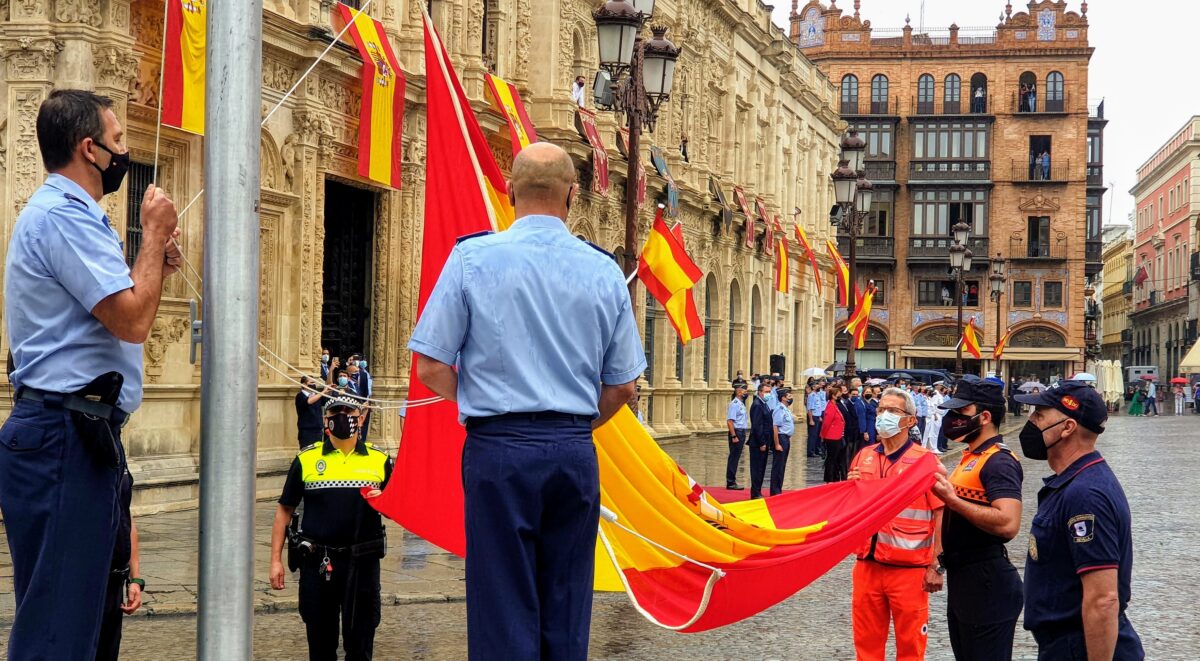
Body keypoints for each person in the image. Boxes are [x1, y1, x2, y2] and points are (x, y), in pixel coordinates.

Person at [406, 142, 644, 659]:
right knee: (566, 600)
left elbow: (428, 366)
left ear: (510, 190)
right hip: (572, 450)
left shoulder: (471, 258)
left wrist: (481, 400)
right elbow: (624, 386)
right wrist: (574, 425)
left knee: (501, 601)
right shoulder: (604, 270)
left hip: (498, 450)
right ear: (573, 196)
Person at [0, 89, 180, 658]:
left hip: (84, 433)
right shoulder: (61, 216)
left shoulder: (79, 218)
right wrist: (150, 238)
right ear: (89, 147)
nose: (123, 150)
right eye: (119, 139)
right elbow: (130, 320)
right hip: (63, 435)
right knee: (57, 633)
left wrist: (155, 265)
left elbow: (115, 312)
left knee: (89, 622)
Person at [1014, 381, 1145, 660]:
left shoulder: (1085, 493)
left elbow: (1103, 599)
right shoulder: (1074, 481)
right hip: (1063, 643)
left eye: (1040, 415)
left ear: (1067, 427)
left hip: (1079, 645)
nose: (1031, 421)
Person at [270, 396, 391, 661]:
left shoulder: (380, 460)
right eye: (336, 412)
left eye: (349, 412)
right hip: (318, 563)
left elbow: (397, 509)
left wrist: (383, 499)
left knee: (360, 645)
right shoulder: (307, 459)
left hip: (362, 563)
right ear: (326, 420)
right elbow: (285, 509)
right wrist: (275, 561)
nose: (343, 416)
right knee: (321, 646)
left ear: (361, 418)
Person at [930, 378, 1024, 661]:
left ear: (984, 417)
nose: (954, 419)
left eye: (961, 412)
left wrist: (953, 500)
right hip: (965, 580)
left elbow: (1008, 524)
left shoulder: (999, 461)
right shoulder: (972, 455)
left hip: (987, 581)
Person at [848, 387, 944, 661]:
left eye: (892, 411)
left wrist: (936, 566)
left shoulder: (925, 462)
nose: (883, 416)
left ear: (910, 420)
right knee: (866, 647)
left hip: (909, 570)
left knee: (911, 648)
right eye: (880, 410)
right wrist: (850, 488)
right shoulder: (864, 456)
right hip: (867, 565)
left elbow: (940, 514)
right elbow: (853, 508)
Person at [96, 465, 144, 661]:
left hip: (115, 581)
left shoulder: (117, 453)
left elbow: (127, 517)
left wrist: (136, 579)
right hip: (86, 584)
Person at [749, 381, 775, 499]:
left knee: (762, 467)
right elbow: (757, 426)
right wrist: (762, 442)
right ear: (760, 392)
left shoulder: (764, 404)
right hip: (758, 443)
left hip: (765, 441)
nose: (768, 394)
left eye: (769, 392)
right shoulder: (757, 405)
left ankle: (758, 490)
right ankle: (755, 492)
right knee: (757, 468)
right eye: (766, 392)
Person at [769, 387, 796, 496]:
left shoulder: (785, 409)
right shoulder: (779, 409)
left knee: (782, 465)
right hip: (781, 438)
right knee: (778, 466)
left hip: (786, 438)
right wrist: (777, 444)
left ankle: (778, 488)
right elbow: (775, 427)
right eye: (789, 396)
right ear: (783, 398)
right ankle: (775, 491)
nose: (791, 398)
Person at [821, 384, 847, 483]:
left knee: (836, 459)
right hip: (832, 437)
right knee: (831, 459)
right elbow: (826, 423)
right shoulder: (831, 406)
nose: (840, 395)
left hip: (837, 436)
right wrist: (823, 436)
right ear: (833, 395)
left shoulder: (834, 405)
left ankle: (835, 478)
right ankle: (830, 479)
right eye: (838, 394)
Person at [726, 380, 749, 490]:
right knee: (734, 457)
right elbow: (730, 421)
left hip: (741, 431)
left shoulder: (740, 404)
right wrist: (733, 436)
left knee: (737, 457)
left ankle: (732, 479)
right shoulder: (734, 404)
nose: (746, 392)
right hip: (736, 432)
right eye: (745, 390)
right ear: (739, 391)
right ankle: (730, 482)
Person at [297, 375, 329, 447]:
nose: (313, 385)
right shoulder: (300, 396)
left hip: (318, 430)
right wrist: (323, 392)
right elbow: (309, 401)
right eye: (311, 382)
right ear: (304, 385)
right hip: (307, 431)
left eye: (314, 383)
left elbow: (326, 402)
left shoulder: (316, 395)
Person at [807, 378, 827, 457]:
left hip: (817, 416)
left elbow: (818, 407)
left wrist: (819, 417)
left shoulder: (817, 395)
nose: (818, 386)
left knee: (817, 434)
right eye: (816, 385)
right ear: (813, 387)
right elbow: (810, 408)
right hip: (813, 416)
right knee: (812, 435)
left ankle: (815, 449)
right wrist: (811, 419)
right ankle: (810, 451)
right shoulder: (811, 395)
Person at [923, 384, 945, 454]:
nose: (930, 392)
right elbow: (935, 407)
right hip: (932, 416)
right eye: (929, 390)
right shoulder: (934, 395)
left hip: (935, 415)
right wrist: (935, 414)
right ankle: (931, 448)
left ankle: (933, 448)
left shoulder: (930, 398)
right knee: (930, 434)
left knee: (934, 433)